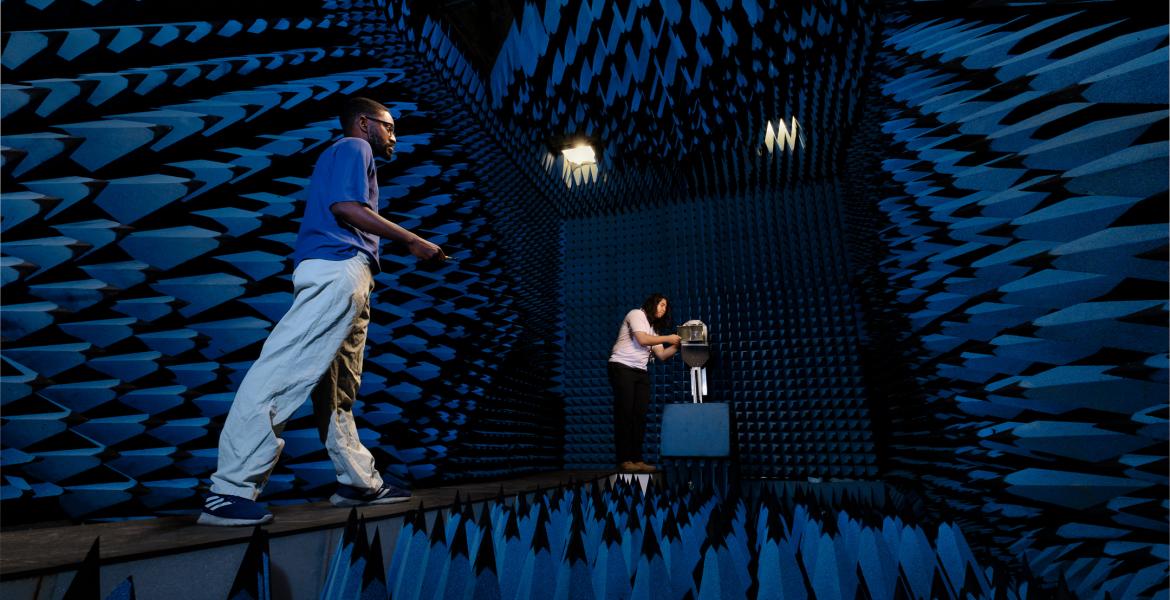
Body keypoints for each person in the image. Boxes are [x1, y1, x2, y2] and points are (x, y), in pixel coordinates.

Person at [199, 97, 446, 526]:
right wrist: (412, 240)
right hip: (337, 268)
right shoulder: (355, 148)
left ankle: (357, 481)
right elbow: (347, 208)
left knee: (337, 392)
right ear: (365, 123)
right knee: (281, 375)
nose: (394, 136)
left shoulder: (345, 152)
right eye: (388, 127)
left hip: (350, 273)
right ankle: (229, 489)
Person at [608, 293, 682, 473]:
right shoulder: (636, 314)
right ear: (652, 304)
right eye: (662, 305)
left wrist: (678, 344)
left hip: (641, 372)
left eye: (666, 307)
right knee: (625, 413)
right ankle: (624, 459)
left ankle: (636, 459)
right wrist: (668, 338)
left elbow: (662, 355)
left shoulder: (654, 329)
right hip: (622, 367)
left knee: (639, 416)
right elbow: (642, 339)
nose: (664, 309)